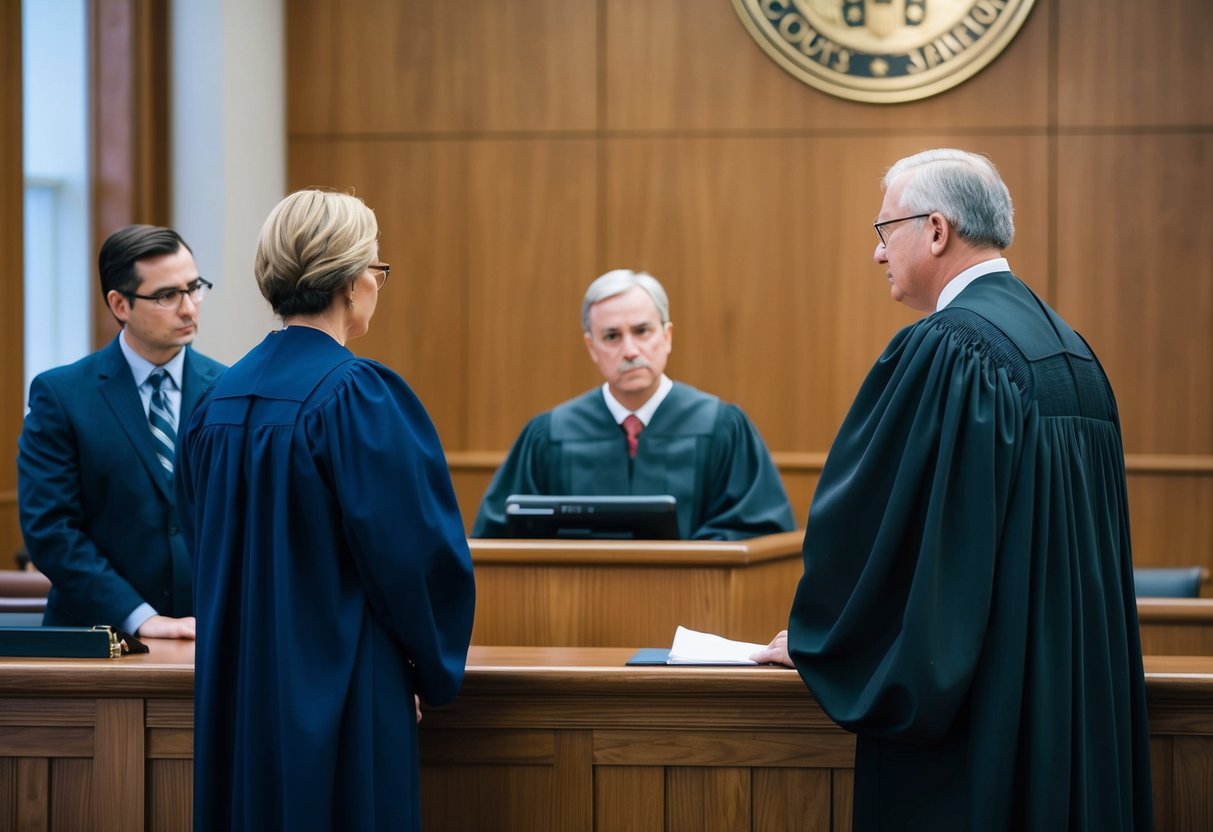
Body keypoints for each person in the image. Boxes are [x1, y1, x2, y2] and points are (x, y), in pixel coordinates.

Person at [752, 149, 1152, 830]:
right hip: (1068, 702)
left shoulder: (950, 350)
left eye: (884, 231)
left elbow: (891, 533)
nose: (877, 254)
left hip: (983, 716)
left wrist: (829, 638)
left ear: (935, 230)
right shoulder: (1072, 352)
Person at [177, 190, 476, 831]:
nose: (377, 281)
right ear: (348, 279)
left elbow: (202, 544)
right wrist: (430, 665)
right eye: (376, 265)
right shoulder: (356, 396)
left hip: (239, 682)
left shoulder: (216, 403)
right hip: (343, 681)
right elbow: (413, 555)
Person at [472, 269, 795, 540]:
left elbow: (759, 530)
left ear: (667, 336)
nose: (630, 349)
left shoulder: (721, 427)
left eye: (642, 331)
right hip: (573, 609)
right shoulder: (550, 435)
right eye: (612, 336)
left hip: (691, 606)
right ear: (592, 347)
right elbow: (500, 536)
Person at [17, 225, 225, 638]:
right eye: (168, 295)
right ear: (120, 303)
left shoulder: (229, 390)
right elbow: (51, 528)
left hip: (209, 635)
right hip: (96, 638)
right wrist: (140, 617)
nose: (189, 308)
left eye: (194, 287)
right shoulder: (61, 395)